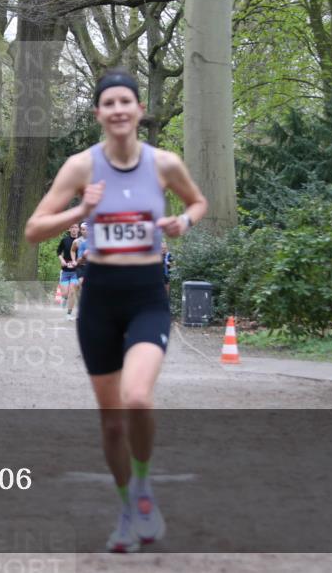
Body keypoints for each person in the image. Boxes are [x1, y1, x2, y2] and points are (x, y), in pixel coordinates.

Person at [25, 68, 207, 553]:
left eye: (127, 101)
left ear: (139, 110)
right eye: (110, 103)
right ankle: (128, 507)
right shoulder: (81, 167)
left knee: (138, 399)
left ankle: (144, 488)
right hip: (100, 299)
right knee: (110, 420)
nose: (119, 110)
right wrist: (79, 212)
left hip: (146, 295)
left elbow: (198, 202)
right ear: (99, 114)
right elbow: (35, 228)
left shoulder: (164, 163)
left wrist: (183, 221)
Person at [56, 224, 80, 320]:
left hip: (76, 270)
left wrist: (78, 262)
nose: (74, 229)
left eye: (76, 227)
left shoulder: (81, 241)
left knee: (72, 292)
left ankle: (69, 313)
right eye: (72, 228)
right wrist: (62, 260)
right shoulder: (64, 240)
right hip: (65, 270)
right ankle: (64, 299)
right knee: (65, 293)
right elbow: (58, 251)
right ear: (69, 229)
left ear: (78, 230)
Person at [70, 222, 90, 315]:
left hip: (91, 267)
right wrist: (74, 260)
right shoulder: (77, 241)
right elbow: (72, 250)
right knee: (81, 283)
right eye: (83, 229)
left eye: (87, 229)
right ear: (81, 231)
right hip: (80, 266)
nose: (85, 231)